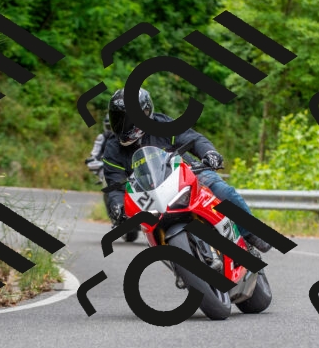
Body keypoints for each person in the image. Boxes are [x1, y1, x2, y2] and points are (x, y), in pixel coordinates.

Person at [102, 87, 272, 255]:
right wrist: (116, 205)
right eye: (118, 118)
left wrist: (209, 153)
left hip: (187, 174)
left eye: (128, 118)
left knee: (222, 190)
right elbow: (115, 185)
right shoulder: (112, 149)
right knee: (148, 231)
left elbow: (193, 138)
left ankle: (252, 233)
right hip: (150, 197)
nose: (122, 124)